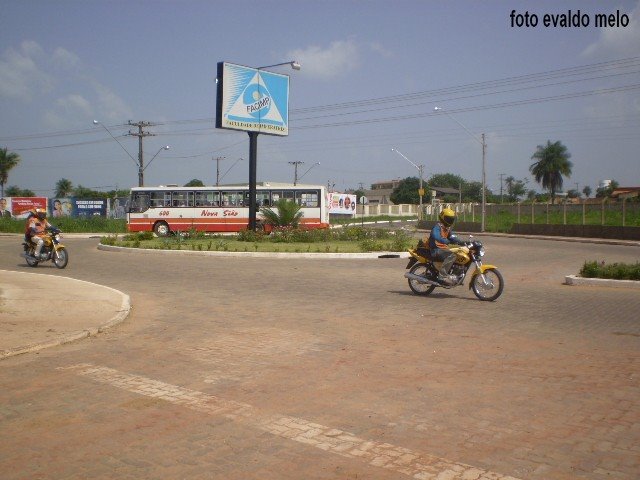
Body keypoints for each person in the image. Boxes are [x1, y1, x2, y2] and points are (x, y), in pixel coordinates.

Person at [428, 207, 460, 285]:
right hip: (436, 250)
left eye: (451, 219)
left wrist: (463, 242)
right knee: (452, 255)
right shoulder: (437, 227)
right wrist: (445, 241)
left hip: (442, 249)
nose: (450, 221)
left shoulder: (447, 228)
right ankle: (442, 276)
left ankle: (454, 275)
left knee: (459, 253)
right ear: (443, 218)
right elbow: (435, 236)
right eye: (448, 219)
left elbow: (453, 237)